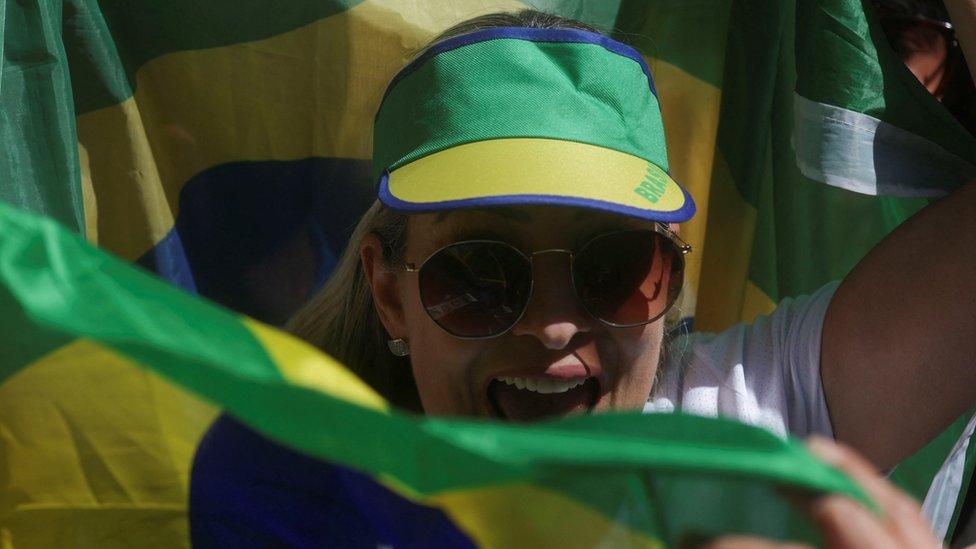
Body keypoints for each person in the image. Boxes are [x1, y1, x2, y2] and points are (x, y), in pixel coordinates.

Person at [191, 8, 976, 547]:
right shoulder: (290, 484)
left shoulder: (739, 420)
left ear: (670, 271)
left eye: (614, 267)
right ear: (391, 291)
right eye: (481, 273)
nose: (555, 326)